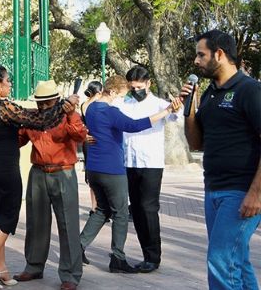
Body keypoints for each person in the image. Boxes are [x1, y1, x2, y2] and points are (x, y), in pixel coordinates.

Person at [0, 65, 78, 289]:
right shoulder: (4, 106)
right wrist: (62, 107)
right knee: (8, 217)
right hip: (4, 166)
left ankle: (1, 269)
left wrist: (65, 109)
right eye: (7, 80)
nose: (10, 84)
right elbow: (38, 121)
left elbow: (18, 127)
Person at [183, 30, 261, 289]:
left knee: (220, 261)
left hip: (241, 191)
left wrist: (256, 193)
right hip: (213, 189)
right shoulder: (209, 94)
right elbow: (196, 144)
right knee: (235, 260)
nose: (196, 61)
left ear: (220, 54)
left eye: (201, 55)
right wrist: (190, 109)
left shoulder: (249, 90)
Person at [79, 75, 179, 274]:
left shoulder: (90, 108)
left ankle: (77, 247)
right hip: (112, 169)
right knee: (121, 213)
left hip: (94, 168)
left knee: (101, 210)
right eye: (122, 94)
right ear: (113, 92)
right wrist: (166, 111)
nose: (123, 99)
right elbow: (135, 125)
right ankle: (118, 258)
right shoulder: (111, 111)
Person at [14, 80, 88, 290]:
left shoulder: (67, 114)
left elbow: (80, 136)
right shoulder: (32, 117)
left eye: (47, 103)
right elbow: (19, 140)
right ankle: (34, 266)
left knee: (68, 224)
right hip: (38, 172)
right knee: (35, 222)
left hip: (63, 172)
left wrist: (72, 113)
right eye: (40, 103)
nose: (43, 107)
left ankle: (71, 275)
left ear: (56, 99)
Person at [118, 65, 179, 273]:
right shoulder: (124, 103)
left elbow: (175, 116)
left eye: (139, 87)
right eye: (132, 87)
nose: (136, 91)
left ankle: (154, 256)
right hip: (129, 162)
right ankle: (146, 253)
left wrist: (176, 108)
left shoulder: (160, 104)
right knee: (135, 208)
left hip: (151, 163)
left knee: (148, 208)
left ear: (148, 84)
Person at [81, 81, 103, 213]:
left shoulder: (84, 104)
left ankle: (94, 207)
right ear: (99, 92)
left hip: (87, 142)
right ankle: (100, 207)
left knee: (91, 175)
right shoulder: (96, 105)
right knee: (100, 174)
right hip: (96, 141)